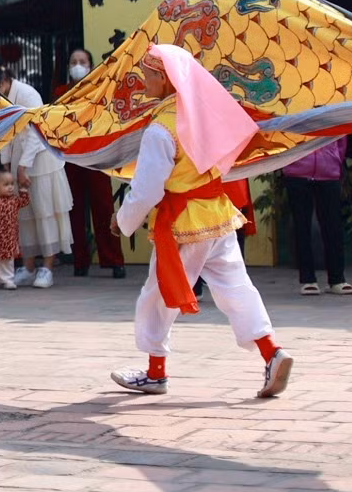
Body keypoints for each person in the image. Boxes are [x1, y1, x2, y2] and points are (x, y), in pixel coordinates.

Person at [108, 45, 293, 401]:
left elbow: (146, 192)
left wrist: (121, 220)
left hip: (183, 222)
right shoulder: (202, 113)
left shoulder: (161, 130)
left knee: (157, 294)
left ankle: (154, 372)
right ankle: (272, 352)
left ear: (163, 78)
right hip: (217, 214)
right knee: (236, 287)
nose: (143, 79)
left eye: (147, 73)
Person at [0, 66, 69, 288]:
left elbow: (35, 134)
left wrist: (22, 167)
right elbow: (3, 132)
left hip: (41, 161)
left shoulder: (29, 95)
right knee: (24, 216)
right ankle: (27, 267)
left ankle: (47, 268)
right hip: (20, 161)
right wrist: (7, 165)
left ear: (7, 80)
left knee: (44, 211)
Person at [57, 48, 125, 279]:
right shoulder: (60, 93)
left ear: (91, 65)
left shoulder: (100, 90)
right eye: (74, 61)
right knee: (74, 210)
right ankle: (80, 260)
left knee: (104, 209)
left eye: (82, 61)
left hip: (97, 157)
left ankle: (114, 260)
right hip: (70, 158)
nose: (78, 65)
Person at [283, 138, 348, 295]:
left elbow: (341, 138)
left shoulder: (331, 112)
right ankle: (307, 279)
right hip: (297, 171)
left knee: (333, 225)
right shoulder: (293, 111)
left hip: (328, 171)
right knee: (301, 225)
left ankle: (337, 279)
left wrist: (334, 159)